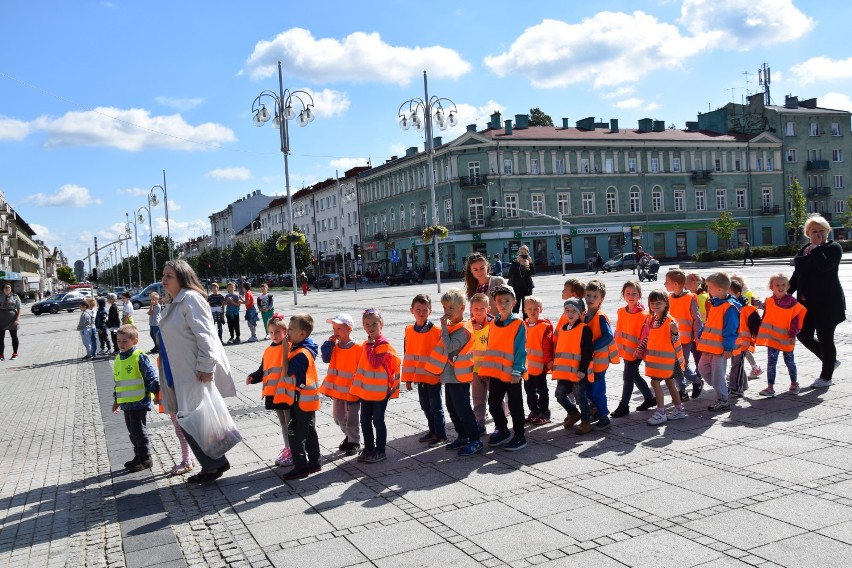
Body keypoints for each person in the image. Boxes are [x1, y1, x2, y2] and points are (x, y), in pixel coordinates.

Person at [157, 259, 238, 484]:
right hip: (176, 372)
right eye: (163, 275)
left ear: (182, 277)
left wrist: (205, 366)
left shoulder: (190, 299)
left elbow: (206, 336)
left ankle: (214, 463)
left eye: (169, 276)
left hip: (193, 372)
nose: (163, 280)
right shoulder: (174, 302)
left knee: (194, 419)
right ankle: (212, 463)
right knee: (188, 419)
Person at [424, 288, 482, 456]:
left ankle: (475, 440)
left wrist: (442, 327)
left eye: (451, 308)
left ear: (462, 308)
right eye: (444, 308)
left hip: (460, 377)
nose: (447, 312)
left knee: (463, 409)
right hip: (450, 376)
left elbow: (449, 346)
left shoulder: (464, 328)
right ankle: (462, 436)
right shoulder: (452, 326)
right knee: (452, 407)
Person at [789, 214, 845, 388]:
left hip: (828, 302)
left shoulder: (833, 248)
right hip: (807, 304)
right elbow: (797, 276)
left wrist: (817, 248)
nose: (818, 234)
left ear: (828, 231)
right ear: (808, 233)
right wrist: (783, 293)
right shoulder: (804, 250)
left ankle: (826, 376)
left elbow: (825, 267)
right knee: (803, 334)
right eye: (814, 231)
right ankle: (830, 360)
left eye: (822, 231)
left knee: (825, 337)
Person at [273, 313, 321, 480]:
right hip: (307, 399)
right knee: (308, 430)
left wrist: (285, 349)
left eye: (291, 329)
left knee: (294, 432)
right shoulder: (305, 348)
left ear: (302, 333)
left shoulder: (301, 354)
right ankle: (315, 462)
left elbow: (287, 371)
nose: (287, 333)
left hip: (300, 401)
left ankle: (301, 466)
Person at [350, 309, 402, 464]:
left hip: (380, 391)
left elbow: (374, 363)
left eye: (374, 323)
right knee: (364, 420)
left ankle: (380, 450)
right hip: (367, 391)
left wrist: (369, 347)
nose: (371, 327)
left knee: (378, 420)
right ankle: (369, 448)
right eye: (367, 324)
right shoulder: (367, 344)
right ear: (363, 326)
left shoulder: (383, 345)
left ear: (381, 325)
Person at [481, 286, 528, 451]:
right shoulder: (493, 323)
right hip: (496, 372)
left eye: (507, 301)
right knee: (493, 403)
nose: (503, 304)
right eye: (499, 301)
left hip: (512, 374)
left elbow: (521, 349)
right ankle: (502, 429)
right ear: (494, 303)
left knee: (515, 406)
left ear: (514, 302)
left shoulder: (518, 323)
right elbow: (491, 347)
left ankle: (519, 436)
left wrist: (517, 371)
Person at [245, 313, 293, 468]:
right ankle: (288, 449)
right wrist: (253, 377)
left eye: (278, 332)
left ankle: (293, 450)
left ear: (285, 332)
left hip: (286, 391)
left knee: (290, 422)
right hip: (274, 393)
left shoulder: (289, 346)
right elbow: (263, 370)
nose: (274, 335)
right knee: (283, 423)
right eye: (271, 332)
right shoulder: (267, 350)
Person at [111, 324, 160, 472]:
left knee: (139, 431)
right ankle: (138, 455)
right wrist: (116, 400)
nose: (121, 344)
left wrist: (157, 394)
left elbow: (151, 377)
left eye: (125, 341)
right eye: (119, 341)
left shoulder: (139, 357)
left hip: (139, 401)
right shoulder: (119, 358)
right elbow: (118, 381)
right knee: (132, 431)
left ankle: (145, 458)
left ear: (135, 341)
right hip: (126, 402)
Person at [636, 290, 686, 426]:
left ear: (666, 304)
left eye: (659, 302)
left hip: (667, 360)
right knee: (670, 383)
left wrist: (675, 331)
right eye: (652, 303)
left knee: (655, 383)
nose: (655, 305)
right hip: (660, 361)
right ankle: (679, 409)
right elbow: (650, 337)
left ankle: (661, 412)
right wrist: (641, 348)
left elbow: (676, 339)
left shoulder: (669, 321)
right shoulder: (653, 320)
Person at [402, 294, 446, 447]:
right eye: (418, 309)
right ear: (411, 311)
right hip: (420, 377)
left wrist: (443, 374)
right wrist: (407, 378)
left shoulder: (437, 331)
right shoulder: (408, 331)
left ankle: (440, 434)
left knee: (436, 406)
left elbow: (442, 354)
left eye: (425, 310)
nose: (421, 313)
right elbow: (408, 355)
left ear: (430, 311)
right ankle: (432, 430)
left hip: (433, 376)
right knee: (425, 406)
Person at [756, 273, 807, 396]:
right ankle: (770, 387)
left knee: (789, 361)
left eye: (783, 284)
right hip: (772, 339)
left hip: (786, 338)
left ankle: (794, 384)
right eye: (777, 285)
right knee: (771, 363)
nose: (781, 287)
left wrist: (793, 333)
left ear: (788, 286)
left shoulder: (792, 302)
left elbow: (796, 318)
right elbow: (767, 317)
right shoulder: (769, 301)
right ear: (771, 287)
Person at [320, 313, 363, 457]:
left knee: (351, 419)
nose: (335, 332)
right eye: (334, 328)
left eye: (339, 328)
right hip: (338, 390)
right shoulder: (334, 346)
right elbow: (326, 358)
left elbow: (363, 368)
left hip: (352, 392)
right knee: (338, 417)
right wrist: (328, 344)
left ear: (349, 328)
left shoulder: (358, 348)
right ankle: (349, 436)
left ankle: (354, 442)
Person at [696, 272, 740, 412]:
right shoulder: (716, 303)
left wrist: (728, 348)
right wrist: (702, 332)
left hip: (720, 349)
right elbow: (711, 323)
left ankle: (723, 399)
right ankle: (722, 389)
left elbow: (731, 329)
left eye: (710, 287)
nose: (708, 290)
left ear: (720, 289)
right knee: (702, 369)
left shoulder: (729, 307)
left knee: (717, 374)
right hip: (709, 346)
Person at [611, 281, 656, 417]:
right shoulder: (621, 312)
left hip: (637, 352)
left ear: (640, 295)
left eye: (634, 293)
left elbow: (645, 335)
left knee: (628, 377)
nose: (631, 296)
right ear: (623, 295)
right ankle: (649, 399)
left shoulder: (645, 315)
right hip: (626, 351)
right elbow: (619, 331)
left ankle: (624, 405)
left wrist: (639, 350)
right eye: (628, 293)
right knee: (634, 375)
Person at [552, 298, 593, 433]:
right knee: (559, 394)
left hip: (577, 372)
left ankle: (586, 421)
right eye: (567, 310)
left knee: (580, 397)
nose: (570, 313)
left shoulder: (584, 329)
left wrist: (582, 369)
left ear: (581, 313)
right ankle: (574, 413)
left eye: (574, 311)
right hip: (564, 373)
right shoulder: (563, 329)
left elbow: (588, 351)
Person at [583, 280, 619, 431]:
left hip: (599, 361)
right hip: (589, 361)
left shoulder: (600, 317)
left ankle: (604, 417)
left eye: (595, 296)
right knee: (588, 389)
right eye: (589, 295)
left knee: (597, 390)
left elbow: (608, 336)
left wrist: (592, 347)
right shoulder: (584, 315)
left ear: (601, 299)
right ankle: (597, 411)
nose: (591, 298)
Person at [665, 269, 704, 400]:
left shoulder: (690, 298)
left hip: (686, 339)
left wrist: (698, 336)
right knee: (674, 365)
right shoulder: (669, 298)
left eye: (667, 282)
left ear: (675, 284)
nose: (665, 284)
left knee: (682, 365)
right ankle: (682, 390)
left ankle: (697, 381)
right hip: (672, 338)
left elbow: (697, 320)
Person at [727, 279, 761, 397]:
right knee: (736, 364)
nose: (727, 295)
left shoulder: (747, 308)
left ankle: (736, 388)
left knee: (737, 364)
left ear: (737, 294)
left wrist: (758, 338)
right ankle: (743, 385)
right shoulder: (729, 306)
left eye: (729, 293)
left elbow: (757, 324)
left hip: (742, 341)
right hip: (734, 341)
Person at [523, 296, 553, 425]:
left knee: (542, 391)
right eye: (530, 308)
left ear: (541, 309)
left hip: (540, 365)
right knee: (529, 391)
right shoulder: (523, 324)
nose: (533, 311)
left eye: (536, 308)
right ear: (525, 310)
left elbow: (547, 345)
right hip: (526, 367)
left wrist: (548, 361)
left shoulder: (544, 325)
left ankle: (544, 413)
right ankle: (534, 411)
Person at [469, 293, 494, 436]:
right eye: (476, 308)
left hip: (491, 369)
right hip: (476, 370)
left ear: (488, 309)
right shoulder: (468, 325)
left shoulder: (494, 324)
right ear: (471, 309)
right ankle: (479, 423)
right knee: (478, 398)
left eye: (482, 308)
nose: (479, 311)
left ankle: (500, 420)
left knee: (495, 398)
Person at [506, 246, 535, 316]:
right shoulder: (515, 262)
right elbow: (510, 273)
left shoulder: (528, 262)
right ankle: (514, 322)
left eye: (525, 253)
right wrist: (516, 262)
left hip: (527, 288)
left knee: (526, 307)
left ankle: (526, 323)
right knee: (515, 307)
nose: (523, 254)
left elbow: (533, 273)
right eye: (522, 252)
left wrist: (530, 263)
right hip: (516, 288)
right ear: (518, 253)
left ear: (528, 253)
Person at [0, 282, 22, 361]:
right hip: (1, 317)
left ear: (11, 289)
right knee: (0, 338)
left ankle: (15, 354)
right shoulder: (0, 296)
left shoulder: (15, 297)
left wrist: (17, 319)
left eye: (9, 287)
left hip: (12, 317)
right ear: (3, 289)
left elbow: (19, 309)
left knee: (14, 336)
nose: (7, 289)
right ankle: (1, 355)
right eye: (6, 287)